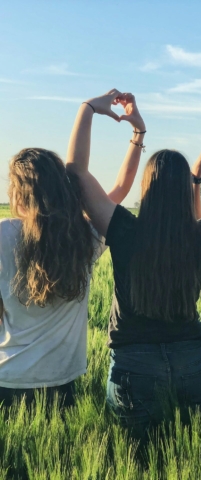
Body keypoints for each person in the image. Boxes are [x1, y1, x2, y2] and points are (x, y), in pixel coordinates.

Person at [66, 89, 201, 440]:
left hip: (134, 367)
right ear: (183, 190)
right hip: (193, 363)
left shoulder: (124, 229)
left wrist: (88, 110)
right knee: (195, 460)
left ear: (147, 188)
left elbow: (76, 173)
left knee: (136, 462)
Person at [0, 93, 145, 407]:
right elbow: (119, 190)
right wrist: (136, 135)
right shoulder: (83, 238)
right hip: (61, 381)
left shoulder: (2, 235)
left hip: (7, 377)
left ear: (17, 194)